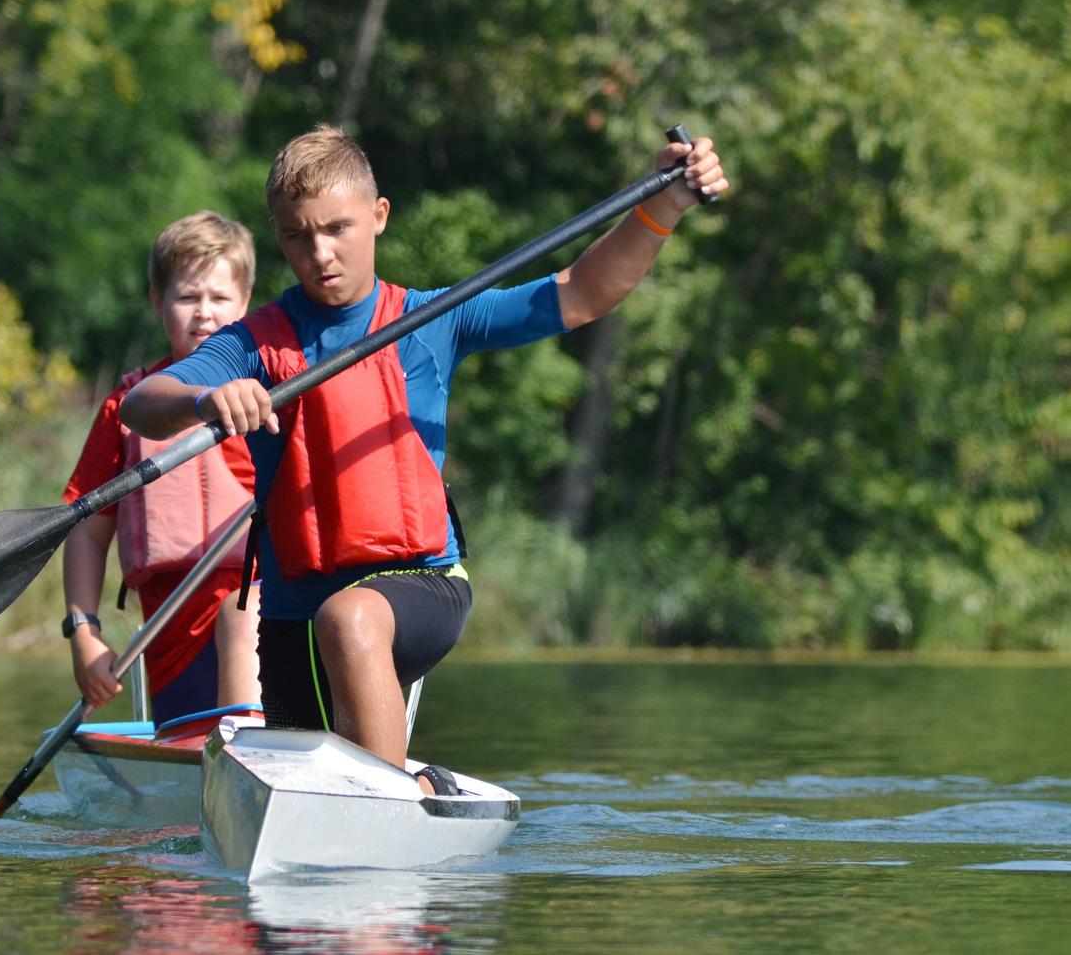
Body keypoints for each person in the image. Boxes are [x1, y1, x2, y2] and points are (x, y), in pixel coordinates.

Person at [120, 126, 728, 792]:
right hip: (293, 620)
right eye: (297, 236)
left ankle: (391, 807)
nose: (320, 253)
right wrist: (205, 397)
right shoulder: (252, 343)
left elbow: (582, 293)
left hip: (420, 586)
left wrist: (664, 205)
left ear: (379, 216)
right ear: (278, 236)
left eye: (338, 228)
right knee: (310, 768)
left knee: (349, 617)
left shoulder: (435, 318)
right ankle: (415, 787)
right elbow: (143, 403)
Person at [60, 210, 262, 726]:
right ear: (157, 301)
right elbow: (88, 532)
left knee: (240, 616)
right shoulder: (125, 408)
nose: (204, 313)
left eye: (220, 298)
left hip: (266, 621)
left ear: (244, 303)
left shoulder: (274, 395)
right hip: (172, 642)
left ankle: (250, 752)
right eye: (188, 297)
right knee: (189, 738)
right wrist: (84, 631)